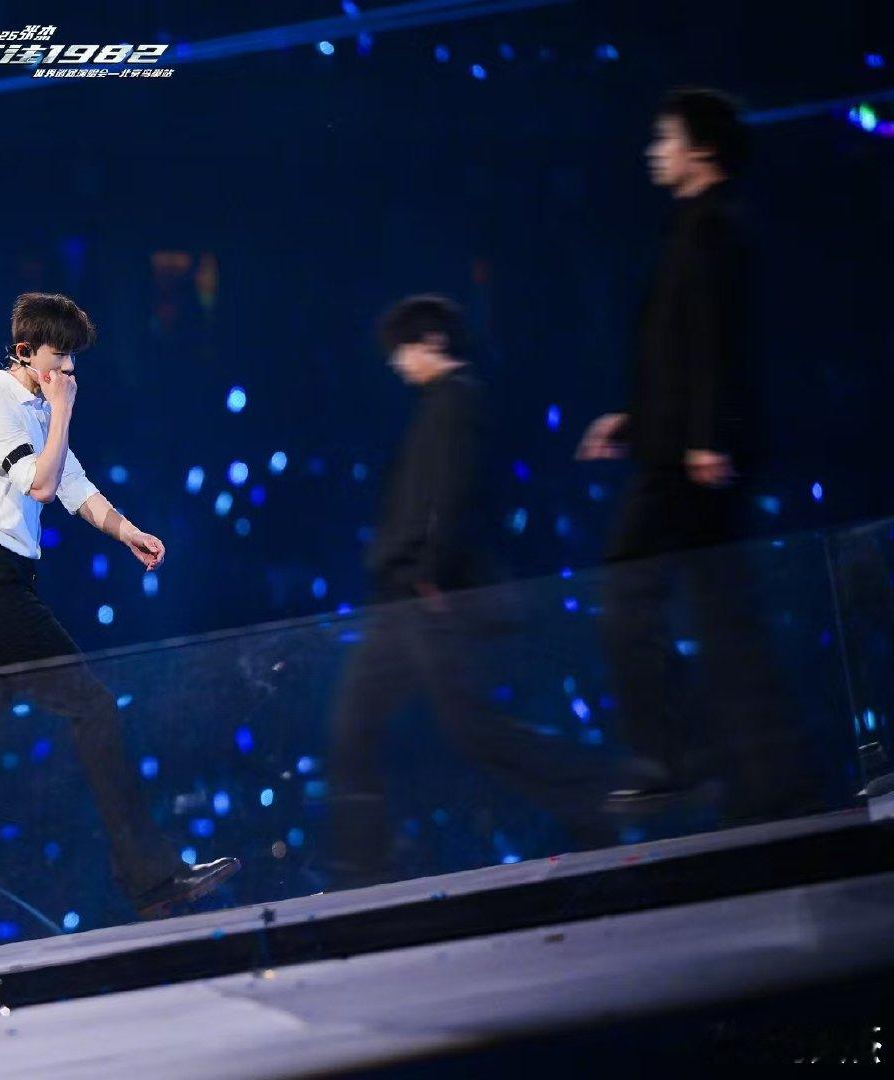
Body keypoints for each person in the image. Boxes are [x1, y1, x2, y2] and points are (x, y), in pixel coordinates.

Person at [0, 293, 238, 963]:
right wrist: (63, 410)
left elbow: (73, 486)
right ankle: (152, 879)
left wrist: (128, 532)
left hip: (0, 585)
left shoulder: (40, 411)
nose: (68, 371)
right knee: (92, 706)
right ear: (25, 352)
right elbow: (40, 486)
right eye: (59, 358)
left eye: (72, 360)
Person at [577, 89, 816, 820]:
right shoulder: (691, 226)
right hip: (678, 445)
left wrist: (707, 436)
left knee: (630, 594)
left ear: (702, 150)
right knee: (721, 617)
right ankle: (767, 779)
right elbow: (679, 351)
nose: (655, 152)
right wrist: (636, 418)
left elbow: (717, 344)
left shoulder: (714, 228)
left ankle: (680, 756)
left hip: (688, 458)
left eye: (665, 139)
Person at [326, 296, 611, 887]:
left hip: (427, 594)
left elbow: (451, 496)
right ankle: (361, 866)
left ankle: (595, 791)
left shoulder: (457, 401)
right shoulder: (441, 404)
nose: (397, 363)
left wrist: (432, 572)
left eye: (402, 349)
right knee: (359, 725)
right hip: (406, 595)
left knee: (467, 727)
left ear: (432, 342)